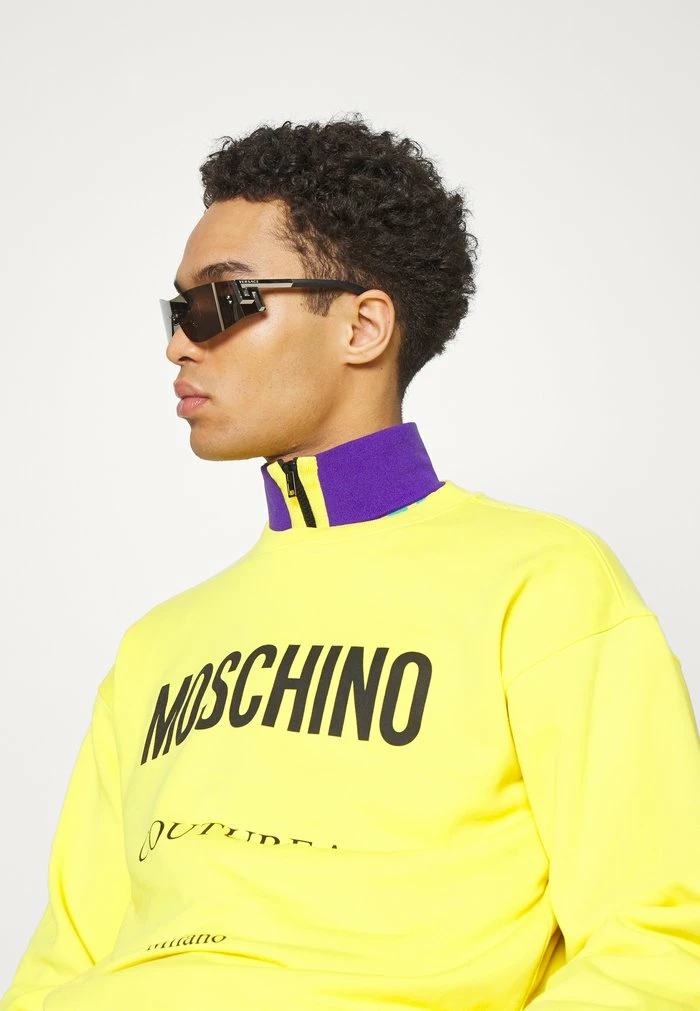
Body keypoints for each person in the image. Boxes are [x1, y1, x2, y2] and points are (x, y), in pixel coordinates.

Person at [2, 112, 699, 1011]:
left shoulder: (542, 584)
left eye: (221, 301)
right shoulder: (153, 649)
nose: (179, 342)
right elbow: (57, 969)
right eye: (177, 311)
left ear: (363, 326)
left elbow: (660, 939)